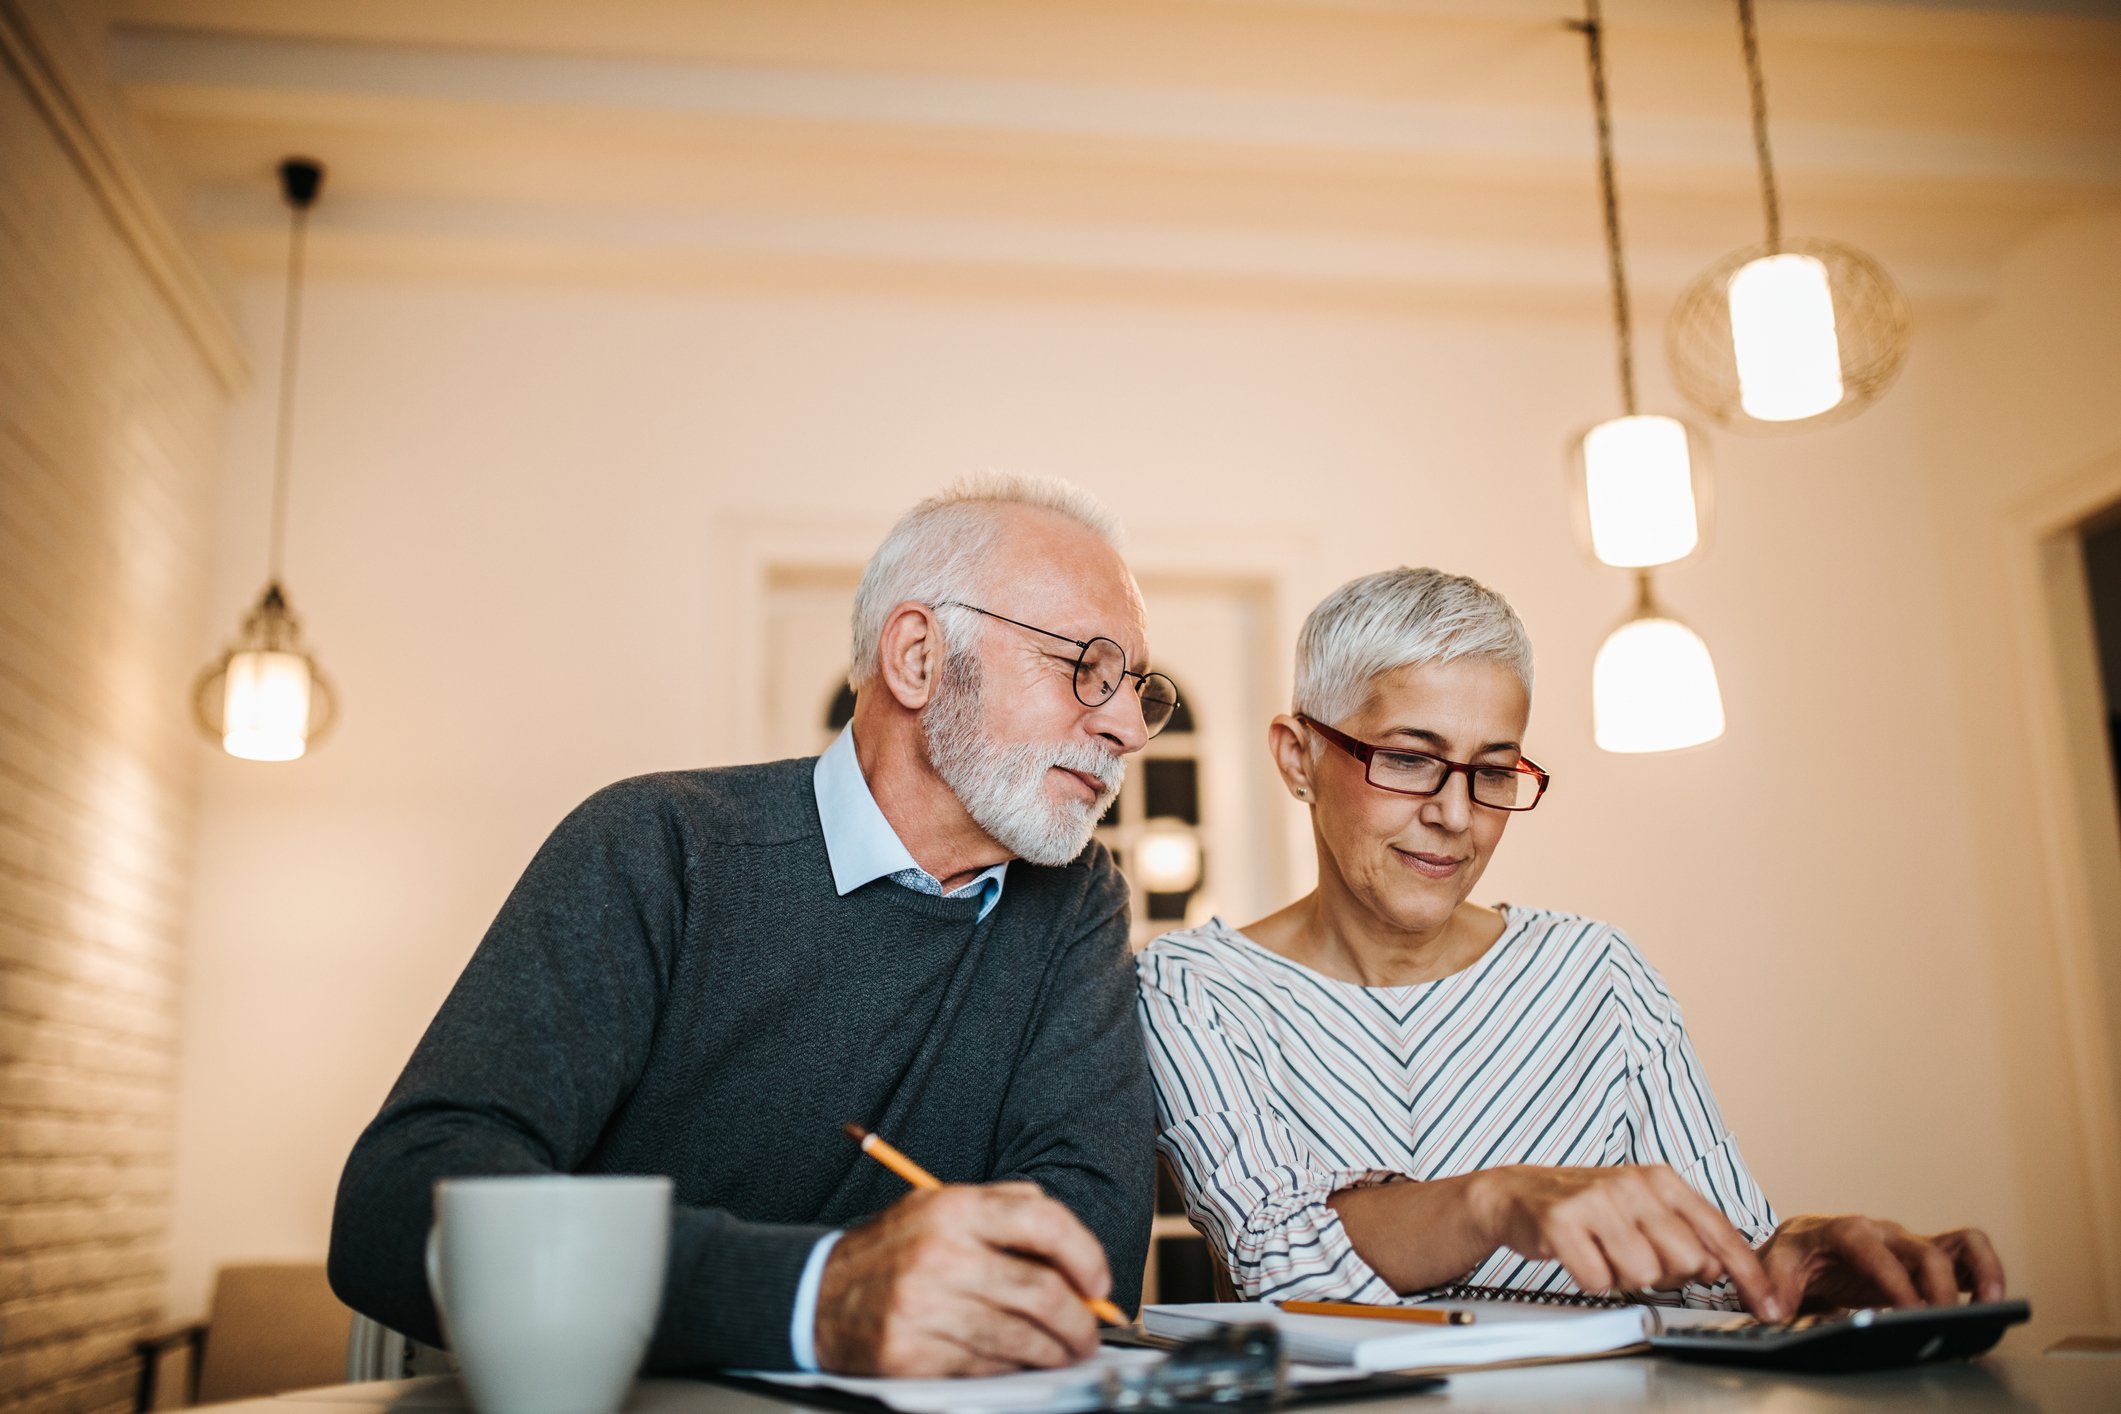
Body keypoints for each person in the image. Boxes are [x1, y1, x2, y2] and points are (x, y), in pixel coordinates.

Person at [330, 475, 1174, 1377]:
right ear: (919, 658)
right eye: (1086, 665)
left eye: (1135, 688)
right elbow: (398, 1207)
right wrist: (815, 1296)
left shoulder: (1075, 899)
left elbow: (1085, 1262)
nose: (1126, 725)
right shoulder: (660, 845)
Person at [1137, 567, 2005, 1320]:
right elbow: (1280, 1266)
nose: (1453, 812)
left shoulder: (1598, 974)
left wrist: (1804, 1259)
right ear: (1297, 759)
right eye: (1408, 758)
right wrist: (1495, 1200)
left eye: (1492, 771)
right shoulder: (1192, 989)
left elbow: (1718, 1273)